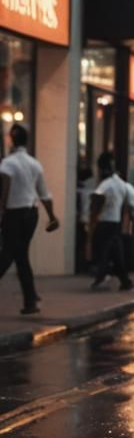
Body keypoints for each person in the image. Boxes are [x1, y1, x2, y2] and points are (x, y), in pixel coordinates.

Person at [0, 125, 59, 314]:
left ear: (11, 140)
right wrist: (52, 217)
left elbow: (4, 189)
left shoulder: (7, 164)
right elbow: (44, 194)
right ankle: (31, 300)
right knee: (20, 255)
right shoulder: (35, 164)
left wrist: (1, 210)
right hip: (31, 214)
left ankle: (31, 299)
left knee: (8, 253)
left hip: (14, 214)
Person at [90, 152, 134, 291]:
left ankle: (103, 277)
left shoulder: (105, 185)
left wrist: (93, 218)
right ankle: (124, 280)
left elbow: (97, 199)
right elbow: (133, 200)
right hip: (115, 223)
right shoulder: (121, 184)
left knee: (104, 251)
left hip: (105, 222)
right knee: (115, 252)